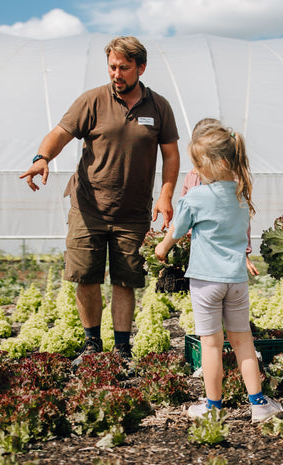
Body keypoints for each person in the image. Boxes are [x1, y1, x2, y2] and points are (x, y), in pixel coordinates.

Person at [20, 36, 180, 364]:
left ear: (141, 68)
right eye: (112, 67)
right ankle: (92, 344)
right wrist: (42, 157)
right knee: (86, 276)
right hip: (87, 207)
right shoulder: (91, 101)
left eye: (123, 67)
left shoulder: (159, 106)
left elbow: (171, 154)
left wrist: (165, 195)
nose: (116, 74)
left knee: (126, 280)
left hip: (133, 212)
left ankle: (122, 348)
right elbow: (60, 134)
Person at [154, 122, 283, 423]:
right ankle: (260, 404)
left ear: (218, 163)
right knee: (244, 342)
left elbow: (177, 230)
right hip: (236, 280)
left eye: (199, 164)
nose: (195, 170)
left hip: (206, 282)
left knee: (211, 345)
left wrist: (162, 248)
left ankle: (213, 406)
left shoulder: (195, 197)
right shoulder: (241, 194)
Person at [180, 118, 259, 277]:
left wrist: (244, 253)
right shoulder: (191, 177)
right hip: (198, 255)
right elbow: (182, 215)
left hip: (222, 256)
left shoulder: (235, 181)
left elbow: (243, 221)